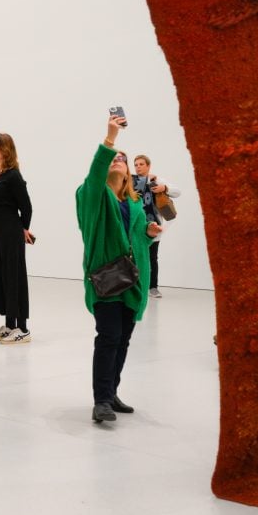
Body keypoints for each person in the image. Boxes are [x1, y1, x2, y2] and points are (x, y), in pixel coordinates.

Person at [76, 115, 162, 424]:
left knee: (122, 340)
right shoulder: (91, 196)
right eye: (114, 158)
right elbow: (95, 173)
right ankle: (100, 400)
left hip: (133, 282)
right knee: (109, 337)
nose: (117, 160)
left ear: (128, 172)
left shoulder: (135, 204)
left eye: (122, 159)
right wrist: (110, 139)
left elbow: (137, 242)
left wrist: (148, 234)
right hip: (106, 280)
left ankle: (111, 392)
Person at [0, 133, 34, 345]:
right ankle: (9, 324)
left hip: (10, 233)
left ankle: (22, 328)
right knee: (1, 277)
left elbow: (26, 207)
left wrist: (24, 229)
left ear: (6, 149)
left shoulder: (13, 176)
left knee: (14, 277)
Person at [132, 154, 180, 299]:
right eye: (136, 164)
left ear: (148, 166)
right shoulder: (131, 181)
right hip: (136, 226)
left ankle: (153, 287)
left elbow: (177, 192)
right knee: (133, 257)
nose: (138, 167)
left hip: (154, 226)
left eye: (141, 164)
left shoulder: (155, 180)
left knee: (152, 257)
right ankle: (134, 287)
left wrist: (164, 187)